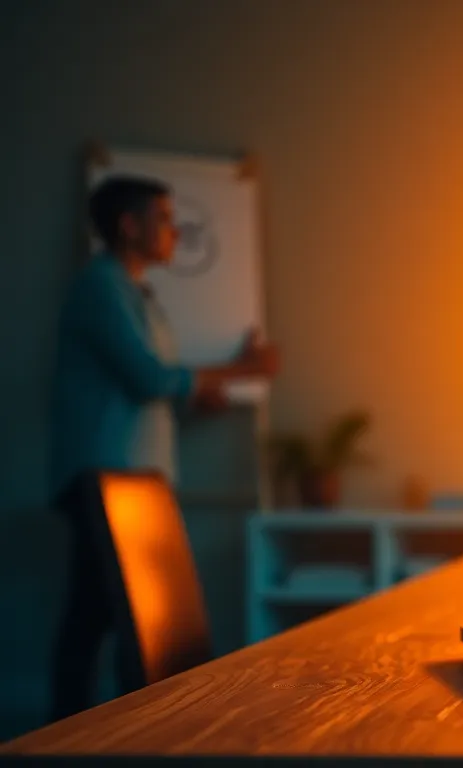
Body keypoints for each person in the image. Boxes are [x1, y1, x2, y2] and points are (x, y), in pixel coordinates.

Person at [47, 175, 279, 721]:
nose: (175, 232)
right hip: (105, 479)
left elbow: (158, 390)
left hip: (136, 480)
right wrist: (243, 369)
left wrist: (199, 397)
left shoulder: (140, 297)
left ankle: (103, 728)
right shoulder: (99, 287)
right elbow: (150, 378)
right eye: (165, 219)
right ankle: (95, 731)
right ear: (129, 225)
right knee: (112, 616)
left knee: (107, 612)